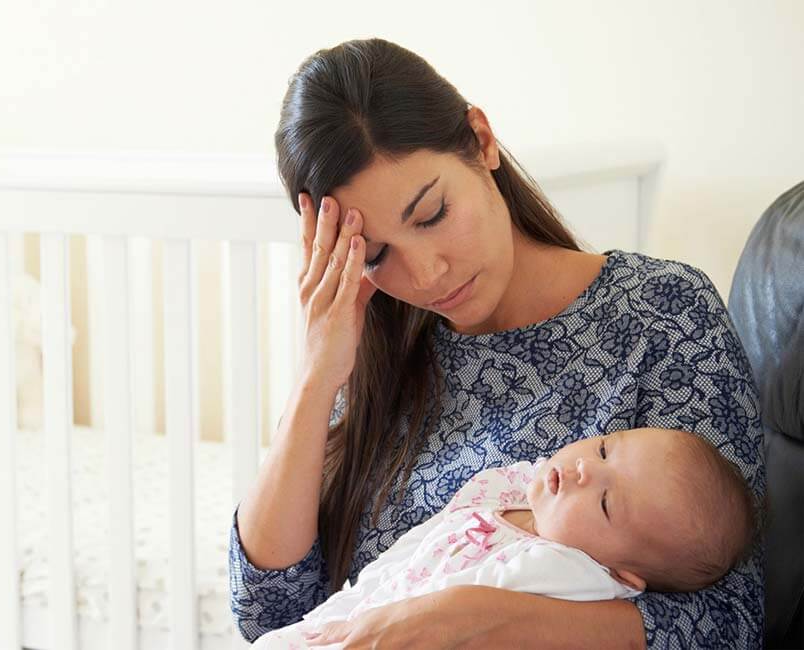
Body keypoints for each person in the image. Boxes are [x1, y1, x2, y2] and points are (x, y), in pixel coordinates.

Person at [229, 38, 764, 648]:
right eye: (376, 255)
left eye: (431, 214)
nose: (426, 275)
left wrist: (480, 619)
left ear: (481, 141)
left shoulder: (663, 314)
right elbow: (268, 612)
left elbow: (729, 624)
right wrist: (315, 379)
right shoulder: (373, 356)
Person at [248, 427, 757, 649]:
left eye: (605, 503)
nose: (582, 471)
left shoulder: (570, 573)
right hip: (353, 614)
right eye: (603, 451)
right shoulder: (516, 488)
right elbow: (413, 549)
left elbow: (454, 616)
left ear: (623, 576)